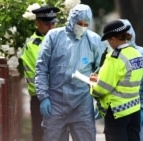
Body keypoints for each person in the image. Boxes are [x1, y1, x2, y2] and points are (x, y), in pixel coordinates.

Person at [35, 4, 105, 141]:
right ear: (71, 20)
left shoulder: (94, 40)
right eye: (79, 23)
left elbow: (100, 71)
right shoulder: (53, 37)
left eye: (86, 24)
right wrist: (43, 96)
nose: (82, 26)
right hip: (55, 101)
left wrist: (99, 100)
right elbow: (42, 68)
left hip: (82, 103)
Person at [89, 20, 143, 141]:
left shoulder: (114, 58)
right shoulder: (137, 54)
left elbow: (103, 88)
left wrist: (93, 86)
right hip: (134, 109)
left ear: (113, 39)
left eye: (109, 40)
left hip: (117, 111)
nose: (109, 43)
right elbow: (125, 79)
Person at [20, 5, 60, 141]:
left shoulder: (61, 41)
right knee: (40, 135)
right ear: (37, 23)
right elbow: (40, 71)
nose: (51, 27)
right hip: (41, 99)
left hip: (61, 97)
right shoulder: (33, 45)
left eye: (53, 23)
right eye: (46, 23)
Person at [120, 19, 143, 141]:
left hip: (140, 111)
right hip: (120, 113)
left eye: (127, 35)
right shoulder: (114, 56)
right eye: (121, 36)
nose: (125, 39)